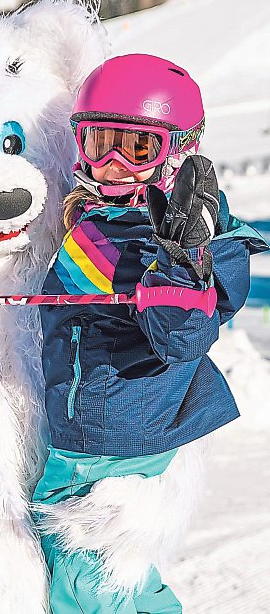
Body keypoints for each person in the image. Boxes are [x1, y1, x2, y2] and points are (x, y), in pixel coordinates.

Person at [32, 54, 268, 613]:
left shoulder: (178, 240)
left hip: (108, 438)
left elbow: (183, 334)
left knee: (85, 583)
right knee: (123, 577)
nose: (113, 166)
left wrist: (183, 260)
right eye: (97, 144)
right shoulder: (103, 215)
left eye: (137, 149)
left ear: (180, 152)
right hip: (110, 426)